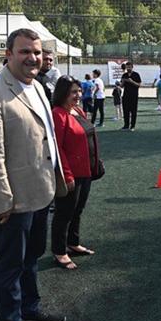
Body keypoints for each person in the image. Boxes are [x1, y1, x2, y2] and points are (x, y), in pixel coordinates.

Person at [0, 28, 68, 321]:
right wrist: (2, 201)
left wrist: (58, 172)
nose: (33, 58)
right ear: (9, 54)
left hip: (42, 191)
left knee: (31, 258)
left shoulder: (38, 87)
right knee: (10, 266)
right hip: (13, 202)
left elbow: (47, 137)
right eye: (25, 51)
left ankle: (30, 308)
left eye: (37, 52)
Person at [51, 76, 100, 270]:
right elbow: (58, 147)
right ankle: (59, 250)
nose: (78, 95)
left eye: (79, 91)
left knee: (77, 209)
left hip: (86, 170)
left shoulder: (77, 110)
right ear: (62, 93)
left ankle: (73, 242)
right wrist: (67, 175)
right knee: (64, 212)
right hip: (71, 173)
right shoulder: (58, 114)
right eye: (73, 92)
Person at [120, 62, 141, 131]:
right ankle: (126, 125)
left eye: (129, 67)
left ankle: (132, 126)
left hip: (134, 96)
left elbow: (139, 85)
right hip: (125, 95)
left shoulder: (136, 74)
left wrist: (131, 81)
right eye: (127, 67)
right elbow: (122, 86)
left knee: (133, 111)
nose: (128, 68)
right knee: (125, 110)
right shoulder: (124, 75)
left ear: (132, 67)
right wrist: (121, 83)